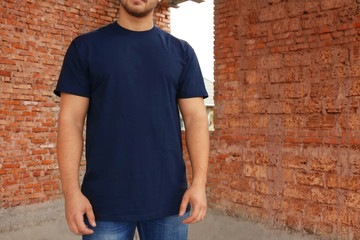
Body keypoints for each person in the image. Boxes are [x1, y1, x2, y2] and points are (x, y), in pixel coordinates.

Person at [54, 0, 209, 239]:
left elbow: (196, 119)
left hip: (170, 201)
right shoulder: (85, 48)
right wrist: (71, 192)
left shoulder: (182, 52)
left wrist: (199, 183)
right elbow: (70, 121)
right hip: (103, 203)